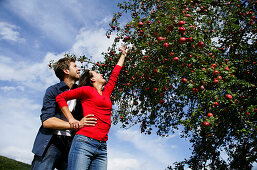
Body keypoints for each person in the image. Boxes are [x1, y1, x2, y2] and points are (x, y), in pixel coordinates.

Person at [56, 45, 127, 170]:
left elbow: (115, 75)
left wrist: (123, 55)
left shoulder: (106, 93)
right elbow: (60, 98)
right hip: (84, 142)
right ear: (92, 79)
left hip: (102, 147)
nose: (101, 74)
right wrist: (71, 119)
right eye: (97, 73)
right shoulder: (86, 90)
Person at [31, 57, 97, 170]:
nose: (78, 68)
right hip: (51, 142)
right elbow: (47, 121)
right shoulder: (53, 91)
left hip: (71, 144)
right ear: (66, 71)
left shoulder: (82, 93)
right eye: (75, 66)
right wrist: (77, 124)